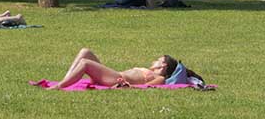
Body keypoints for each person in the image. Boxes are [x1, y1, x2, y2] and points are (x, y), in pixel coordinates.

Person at [47, 48, 179, 89]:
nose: (154, 60)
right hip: (113, 74)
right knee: (85, 52)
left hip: (115, 78)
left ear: (163, 65)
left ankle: (59, 87)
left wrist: (126, 86)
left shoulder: (160, 78)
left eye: (158, 60)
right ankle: (64, 81)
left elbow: (147, 87)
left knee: (85, 63)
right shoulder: (151, 71)